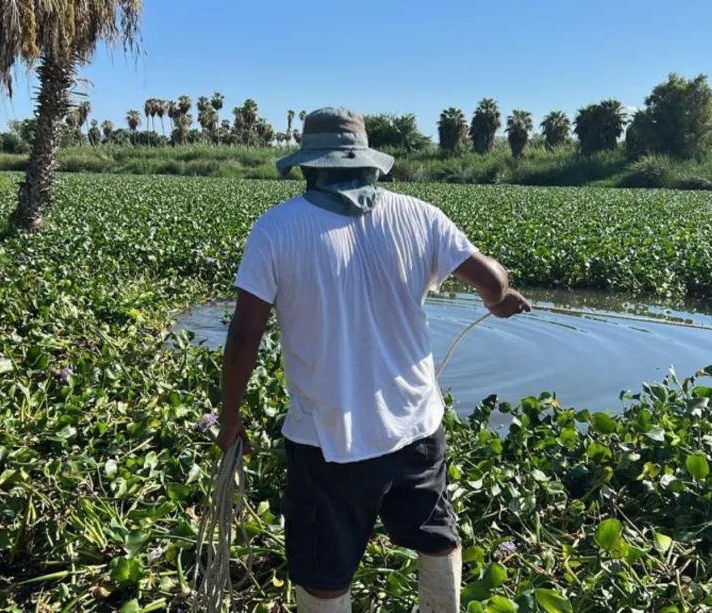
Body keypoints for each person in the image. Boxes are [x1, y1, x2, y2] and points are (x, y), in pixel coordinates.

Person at [216, 107, 530, 613]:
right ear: (368, 162)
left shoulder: (277, 228)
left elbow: (244, 337)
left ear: (309, 165)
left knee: (323, 573)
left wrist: (230, 420)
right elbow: (492, 281)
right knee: (435, 536)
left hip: (328, 443)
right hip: (417, 429)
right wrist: (498, 300)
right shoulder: (420, 215)